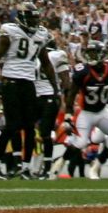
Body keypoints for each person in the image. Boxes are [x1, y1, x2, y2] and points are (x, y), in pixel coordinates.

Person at [0, 2, 59, 179]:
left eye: (36, 17)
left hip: (29, 83)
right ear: (23, 17)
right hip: (11, 81)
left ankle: (26, 169)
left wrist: (55, 87)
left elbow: (46, 63)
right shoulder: (10, 31)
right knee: (12, 126)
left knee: (29, 127)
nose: (35, 21)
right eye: (32, 17)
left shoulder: (41, 34)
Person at [61, 41, 108, 183]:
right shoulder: (104, 68)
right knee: (99, 139)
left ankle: (107, 169)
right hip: (106, 108)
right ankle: (96, 165)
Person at [30, 23, 71, 179]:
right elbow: (66, 82)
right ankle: (35, 167)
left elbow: (65, 81)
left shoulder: (55, 55)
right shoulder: (34, 55)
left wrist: (63, 99)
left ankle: (46, 168)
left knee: (44, 133)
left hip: (48, 95)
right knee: (35, 133)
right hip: (37, 96)